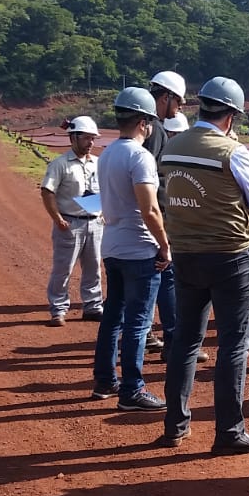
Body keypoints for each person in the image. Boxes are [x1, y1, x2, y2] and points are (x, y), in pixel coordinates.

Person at [159, 76, 249, 455]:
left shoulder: (172, 147)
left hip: (186, 256)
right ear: (231, 116)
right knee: (233, 347)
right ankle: (229, 432)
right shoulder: (231, 152)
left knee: (185, 343)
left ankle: (175, 424)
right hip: (230, 257)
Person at [92, 89, 171, 411]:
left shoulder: (108, 153)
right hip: (139, 248)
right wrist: (165, 245)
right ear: (143, 122)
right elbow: (150, 209)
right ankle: (132, 389)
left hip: (112, 245)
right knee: (138, 322)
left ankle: (105, 380)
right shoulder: (140, 157)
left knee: (113, 317)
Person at [144, 71, 192, 361]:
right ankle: (175, 343)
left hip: (145, 220)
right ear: (166, 97)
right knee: (166, 278)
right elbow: (151, 182)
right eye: (178, 102)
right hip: (156, 219)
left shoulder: (148, 128)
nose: (178, 109)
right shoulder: (155, 131)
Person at [40, 116, 103, 328]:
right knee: (63, 268)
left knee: (94, 267)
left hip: (94, 222)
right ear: (73, 138)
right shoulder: (60, 164)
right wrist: (57, 218)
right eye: (86, 138)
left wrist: (103, 213)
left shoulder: (97, 162)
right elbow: (47, 191)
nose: (90, 142)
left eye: (93, 139)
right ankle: (58, 309)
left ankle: (93, 306)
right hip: (69, 223)